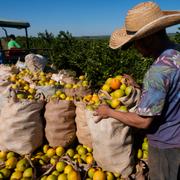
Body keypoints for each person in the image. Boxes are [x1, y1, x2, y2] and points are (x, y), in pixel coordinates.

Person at [94, 1, 180, 180]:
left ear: (148, 38)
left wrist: (108, 111)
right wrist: (141, 87)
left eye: (135, 43)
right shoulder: (176, 53)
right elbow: (170, 92)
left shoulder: (157, 72)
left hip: (167, 147)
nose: (135, 49)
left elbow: (143, 122)